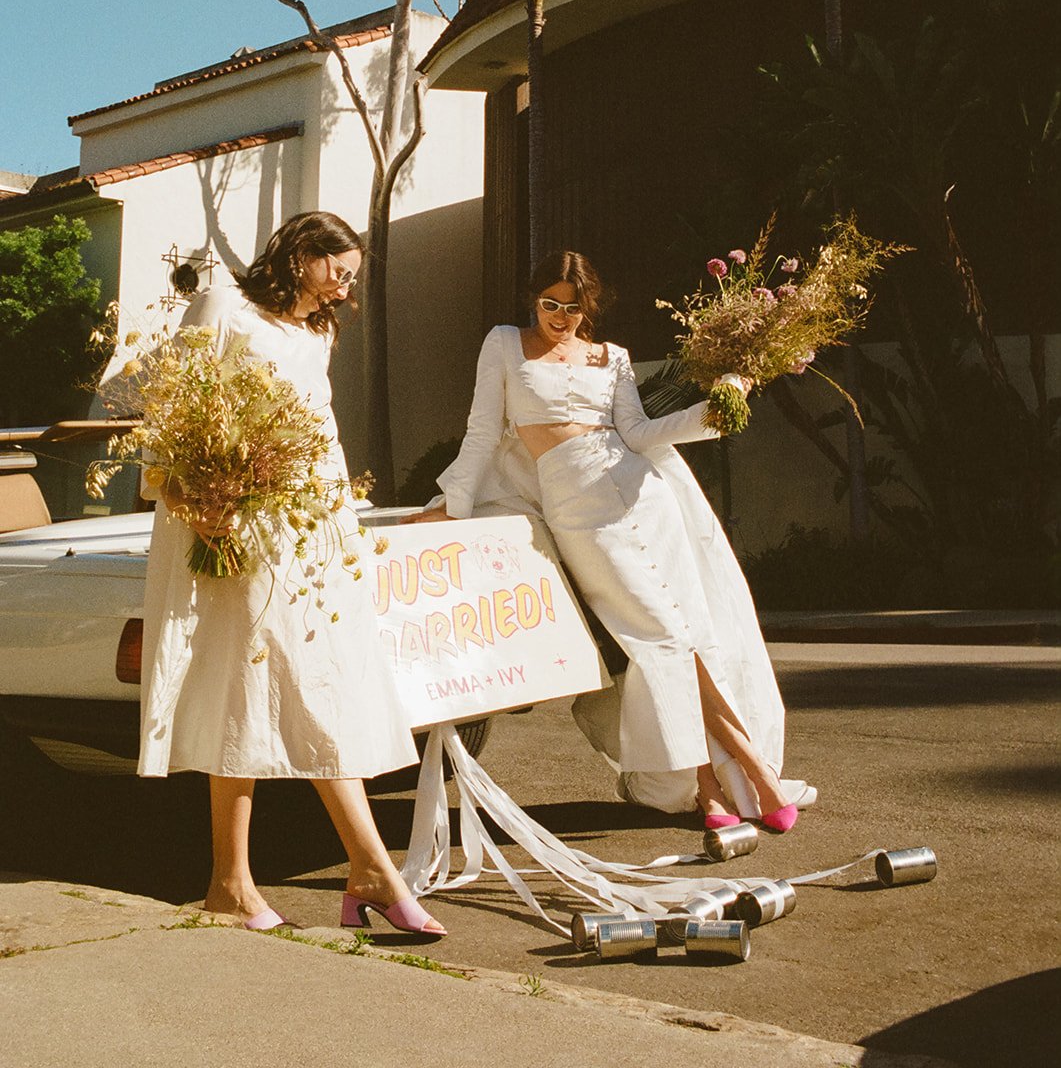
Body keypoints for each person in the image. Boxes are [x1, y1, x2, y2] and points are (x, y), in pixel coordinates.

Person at [411, 250, 814, 830]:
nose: (559, 316)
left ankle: (737, 780)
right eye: (549, 303)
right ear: (534, 300)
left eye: (572, 308)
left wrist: (720, 407)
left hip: (641, 492)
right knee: (656, 637)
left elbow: (640, 433)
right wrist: (452, 506)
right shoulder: (503, 344)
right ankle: (723, 778)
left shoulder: (615, 358)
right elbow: (481, 433)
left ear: (587, 307)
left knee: (688, 633)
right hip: (577, 508)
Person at [138, 211, 445, 937]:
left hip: (310, 523)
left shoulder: (319, 332)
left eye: (350, 278)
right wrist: (189, 500)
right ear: (302, 254)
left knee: (287, 684)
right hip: (235, 518)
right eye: (338, 271)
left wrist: (341, 520)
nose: (344, 287)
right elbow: (171, 409)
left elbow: (321, 427)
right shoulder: (223, 306)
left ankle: (235, 883)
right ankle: (356, 869)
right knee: (272, 683)